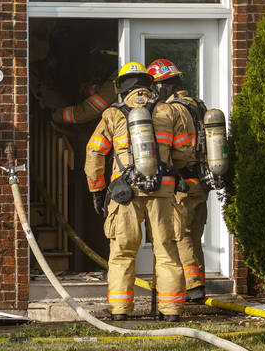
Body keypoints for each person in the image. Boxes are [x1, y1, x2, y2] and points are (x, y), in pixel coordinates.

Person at [85, 61, 195, 321]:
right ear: (149, 84)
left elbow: (95, 154)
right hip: (164, 193)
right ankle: (171, 312)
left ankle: (120, 311)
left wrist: (97, 191)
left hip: (125, 194)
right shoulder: (168, 111)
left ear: (120, 87)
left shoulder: (112, 115)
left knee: (122, 253)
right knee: (167, 252)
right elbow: (184, 151)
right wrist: (169, 168)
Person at [148, 58, 209, 303]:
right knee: (194, 235)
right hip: (202, 182)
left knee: (178, 234)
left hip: (184, 183)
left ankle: (191, 287)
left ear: (163, 86)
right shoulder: (198, 105)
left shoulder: (173, 110)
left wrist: (168, 171)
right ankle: (198, 283)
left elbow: (179, 151)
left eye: (157, 88)